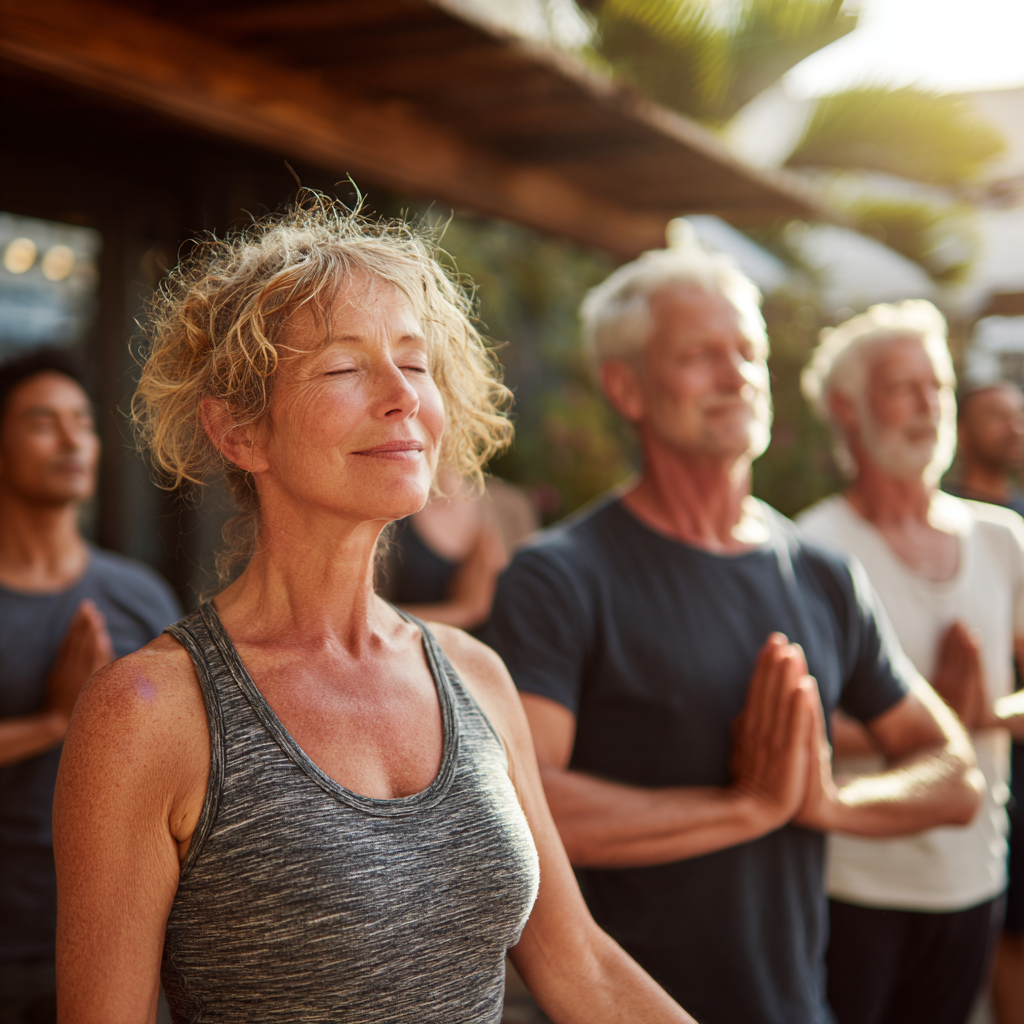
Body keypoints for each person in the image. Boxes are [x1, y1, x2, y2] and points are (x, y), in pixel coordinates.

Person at [52, 199, 698, 1024]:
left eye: (416, 362)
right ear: (239, 431)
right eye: (342, 368)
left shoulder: (476, 677)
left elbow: (580, 968)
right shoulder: (150, 714)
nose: (401, 398)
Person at [482, 245, 983, 1024]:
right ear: (625, 387)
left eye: (748, 350)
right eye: (699, 355)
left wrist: (826, 803)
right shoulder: (560, 577)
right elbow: (520, 807)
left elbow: (953, 772)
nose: (737, 373)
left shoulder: (822, 573)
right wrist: (743, 808)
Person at [797, 303, 1024, 1024]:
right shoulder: (809, 548)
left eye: (939, 386)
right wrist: (933, 720)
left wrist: (983, 714)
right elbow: (790, 728)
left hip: (974, 874)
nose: (929, 405)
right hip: (852, 883)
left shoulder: (1003, 540)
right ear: (848, 408)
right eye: (904, 387)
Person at [0, 349, 180, 1024]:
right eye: (43, 422)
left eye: (82, 421)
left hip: (125, 939)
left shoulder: (138, 595)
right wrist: (54, 722)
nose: (73, 439)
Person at [945, 379, 1024, 1024]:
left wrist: (992, 714)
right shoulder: (940, 522)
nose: (1015, 426)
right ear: (961, 429)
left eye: (1019, 415)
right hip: (972, 785)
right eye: (996, 416)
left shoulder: (1017, 527)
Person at [378, 468, 537, 632]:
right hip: (411, 653)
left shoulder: (512, 508)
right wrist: (464, 611)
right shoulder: (385, 508)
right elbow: (364, 619)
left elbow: (528, 617)